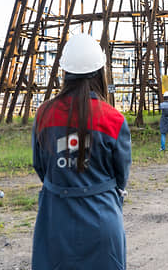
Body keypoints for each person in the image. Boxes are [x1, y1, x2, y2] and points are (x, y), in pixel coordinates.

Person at [31, 33, 132, 270]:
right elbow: (121, 177)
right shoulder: (113, 119)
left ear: (65, 73)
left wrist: (64, 180)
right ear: (100, 73)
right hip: (101, 219)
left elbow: (41, 166)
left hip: (55, 218)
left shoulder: (44, 114)